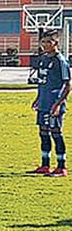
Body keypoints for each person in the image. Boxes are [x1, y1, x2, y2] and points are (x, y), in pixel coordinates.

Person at [29, 31, 70, 177]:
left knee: (56, 133)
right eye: (43, 42)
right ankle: (45, 165)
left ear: (55, 43)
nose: (45, 45)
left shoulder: (61, 61)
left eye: (48, 42)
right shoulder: (43, 59)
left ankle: (61, 167)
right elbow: (42, 82)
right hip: (44, 103)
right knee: (43, 132)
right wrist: (38, 98)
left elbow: (67, 85)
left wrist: (59, 104)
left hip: (54, 104)